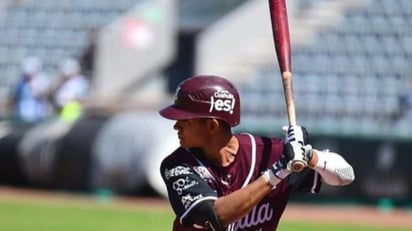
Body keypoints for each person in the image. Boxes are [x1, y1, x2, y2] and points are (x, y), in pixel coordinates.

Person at [158, 75, 355, 231]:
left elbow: (346, 176)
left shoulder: (268, 153)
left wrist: (310, 156)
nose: (176, 126)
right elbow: (216, 216)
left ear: (211, 125)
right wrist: (276, 172)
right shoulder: (177, 165)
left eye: (185, 121)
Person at [9, 56, 52, 122]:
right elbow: (15, 97)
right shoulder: (21, 81)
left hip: (38, 114)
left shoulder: (42, 80)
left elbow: (43, 95)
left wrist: (32, 83)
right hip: (22, 113)